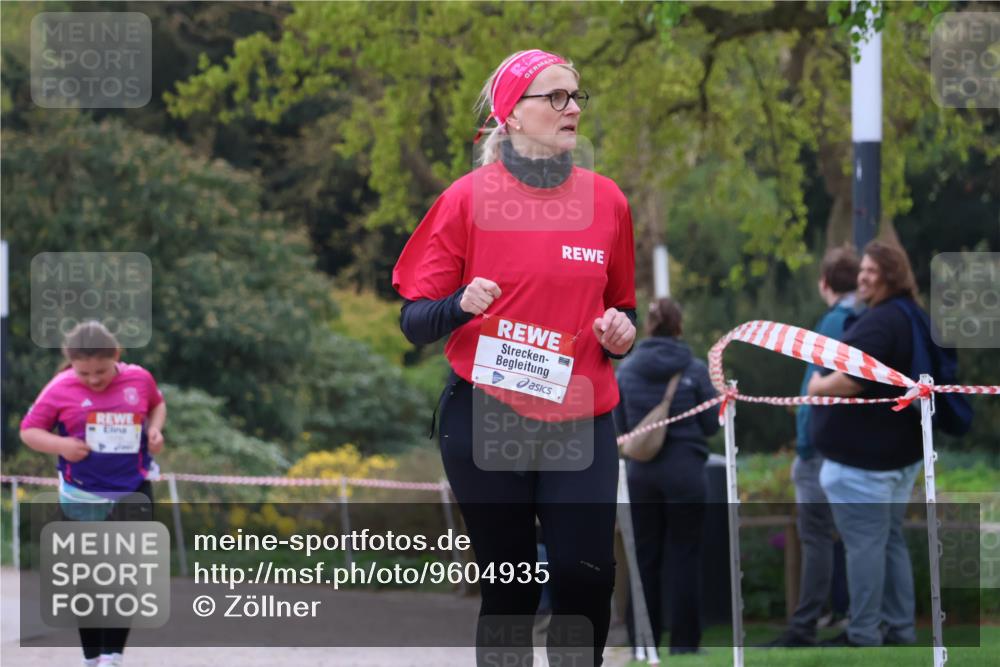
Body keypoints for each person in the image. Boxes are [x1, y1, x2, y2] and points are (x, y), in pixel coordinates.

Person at [392, 49, 637, 666]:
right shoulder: (466, 200)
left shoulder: (607, 201)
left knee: (585, 579)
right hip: (487, 413)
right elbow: (413, 320)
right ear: (513, 115)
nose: (573, 108)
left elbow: (625, 308)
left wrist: (620, 331)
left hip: (580, 414)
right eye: (555, 97)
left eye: (577, 96)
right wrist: (459, 305)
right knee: (512, 586)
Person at [20, 320, 166, 667]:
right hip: (82, 494)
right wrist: (61, 445)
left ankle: (112, 658)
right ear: (71, 364)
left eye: (101, 371)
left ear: (116, 355)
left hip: (133, 488)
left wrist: (156, 430)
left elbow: (157, 404)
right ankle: (92, 658)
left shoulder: (139, 379)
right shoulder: (59, 387)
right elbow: (29, 431)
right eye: (84, 373)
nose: (94, 380)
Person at [808, 240, 924, 647]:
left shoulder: (881, 320)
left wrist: (818, 383)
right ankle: (899, 629)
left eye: (873, 271)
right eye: (863, 270)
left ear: (893, 275)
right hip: (896, 459)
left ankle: (863, 634)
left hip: (866, 465)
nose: (863, 277)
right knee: (888, 540)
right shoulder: (910, 315)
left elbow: (851, 378)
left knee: (865, 547)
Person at [613, 297, 719, 655]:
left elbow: (621, 429)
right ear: (679, 327)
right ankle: (686, 646)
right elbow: (709, 425)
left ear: (647, 329)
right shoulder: (695, 368)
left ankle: (644, 644)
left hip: (642, 475)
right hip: (686, 474)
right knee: (685, 556)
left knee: (644, 559)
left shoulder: (626, 371)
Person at [766, 246, 859, 647]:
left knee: (817, 535)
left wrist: (803, 445)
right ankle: (848, 614)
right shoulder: (863, 318)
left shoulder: (835, 321)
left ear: (824, 283)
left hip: (821, 449)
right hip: (845, 446)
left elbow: (816, 389)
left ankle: (806, 623)